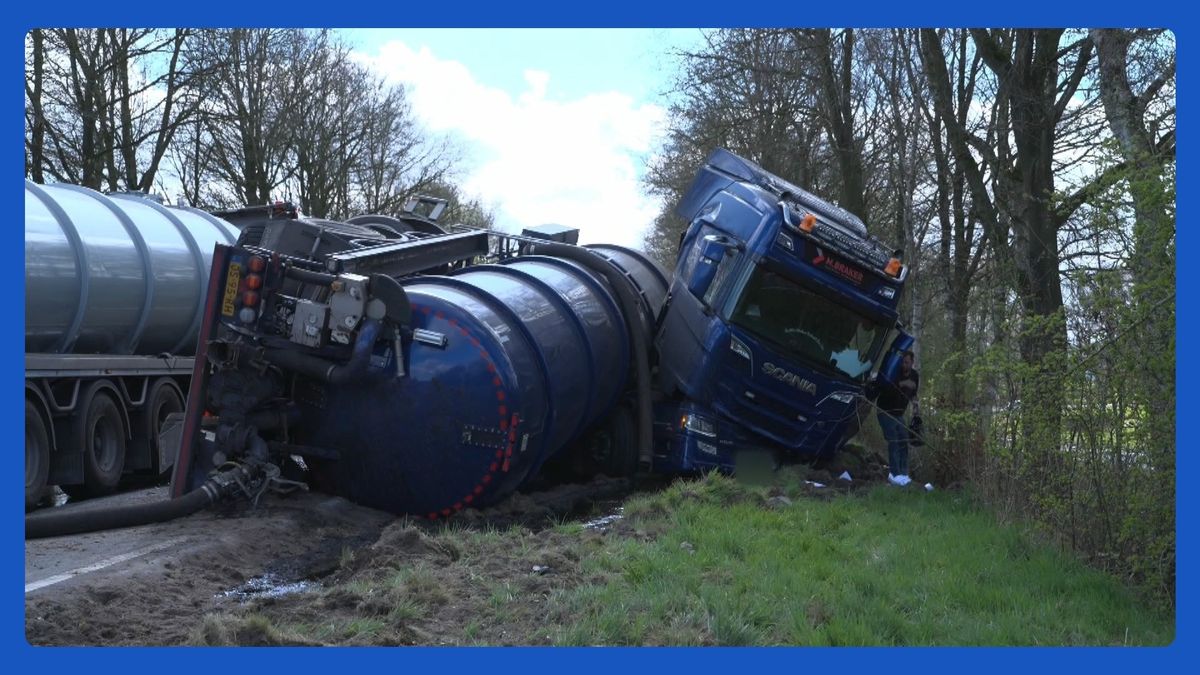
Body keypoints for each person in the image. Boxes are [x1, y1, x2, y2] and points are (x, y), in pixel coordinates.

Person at [873, 350, 919, 486]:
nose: (904, 365)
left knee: (904, 441)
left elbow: (914, 395)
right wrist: (902, 384)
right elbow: (885, 389)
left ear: (912, 363)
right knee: (893, 441)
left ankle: (904, 475)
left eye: (907, 362)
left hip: (899, 414)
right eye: (902, 362)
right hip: (885, 412)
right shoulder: (894, 372)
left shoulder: (915, 375)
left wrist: (916, 411)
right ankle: (895, 475)